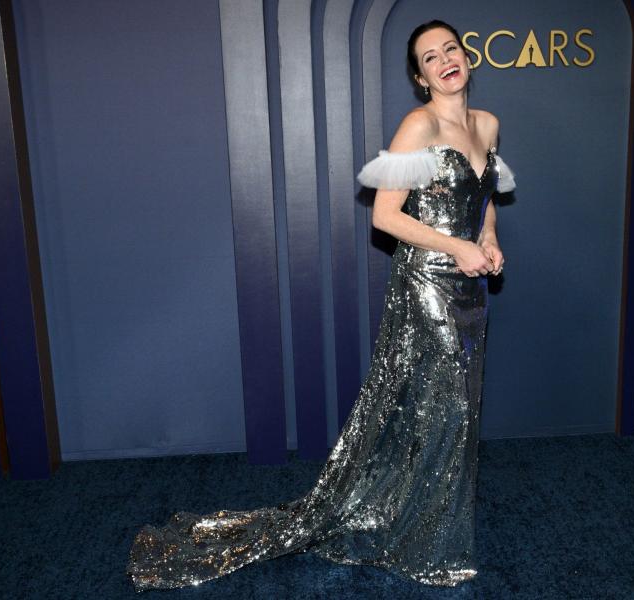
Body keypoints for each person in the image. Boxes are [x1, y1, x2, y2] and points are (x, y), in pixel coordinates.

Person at [127, 19, 515, 590]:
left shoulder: (488, 124)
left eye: (450, 49)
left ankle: (423, 519)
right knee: (444, 408)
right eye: (430, 58)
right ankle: (427, 543)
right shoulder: (418, 125)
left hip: (470, 288)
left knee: (455, 408)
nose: (445, 61)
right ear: (420, 76)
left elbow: (484, 200)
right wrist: (456, 246)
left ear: (465, 55)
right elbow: (386, 216)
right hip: (428, 284)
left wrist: (488, 240)